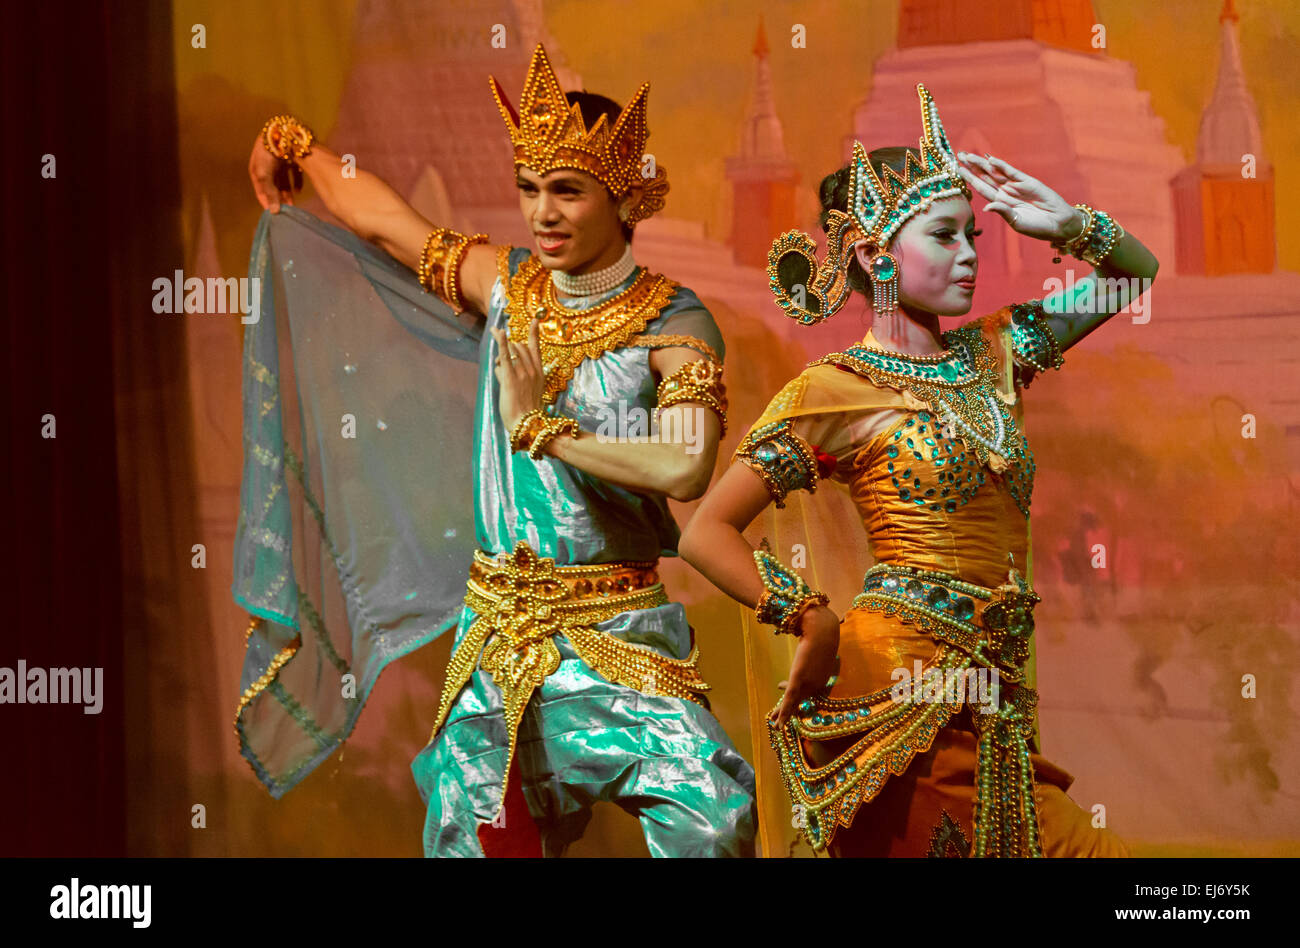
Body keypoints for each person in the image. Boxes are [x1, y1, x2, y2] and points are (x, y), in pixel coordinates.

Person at [242, 43, 755, 857]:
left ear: (622, 200)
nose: (542, 213)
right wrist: (296, 143)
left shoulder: (673, 320)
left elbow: (686, 465)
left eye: (566, 191)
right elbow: (381, 219)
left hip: (615, 636)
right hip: (500, 648)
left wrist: (545, 429)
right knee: (469, 838)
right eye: (529, 189)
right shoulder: (508, 286)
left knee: (713, 821)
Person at [678, 83, 1157, 857]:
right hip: (904, 695)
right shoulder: (835, 389)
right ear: (875, 256)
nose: (970, 254)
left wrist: (1068, 224)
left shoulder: (997, 354)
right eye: (945, 236)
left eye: (973, 234)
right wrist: (810, 616)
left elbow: (1133, 275)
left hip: (991, 695)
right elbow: (707, 531)